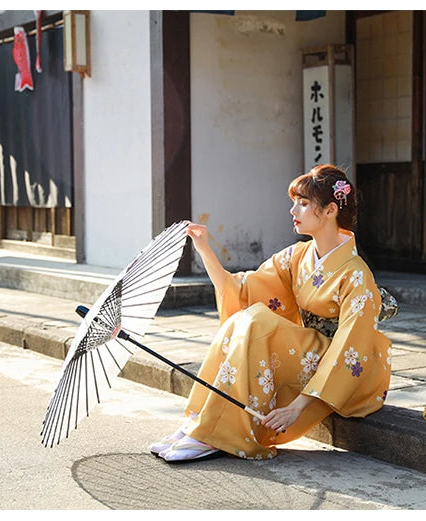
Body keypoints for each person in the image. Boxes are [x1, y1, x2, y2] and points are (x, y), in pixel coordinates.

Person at [149, 164, 393, 462]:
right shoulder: (299, 256)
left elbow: (351, 346)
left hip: (349, 369)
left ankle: (217, 432)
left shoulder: (357, 275)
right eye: (295, 202)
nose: (293, 210)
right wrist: (204, 249)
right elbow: (243, 291)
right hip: (314, 352)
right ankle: (202, 420)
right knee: (245, 318)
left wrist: (298, 406)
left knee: (259, 322)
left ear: (330, 211)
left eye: (303, 204)